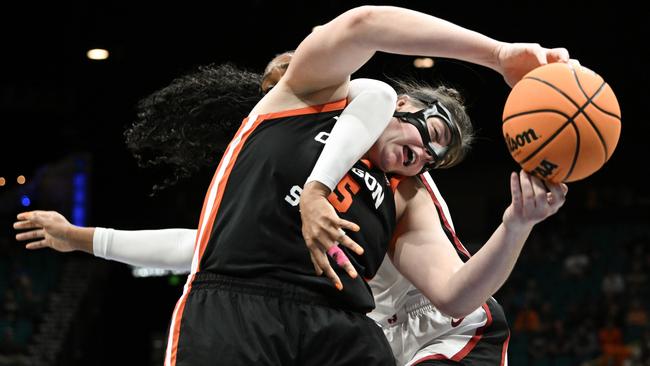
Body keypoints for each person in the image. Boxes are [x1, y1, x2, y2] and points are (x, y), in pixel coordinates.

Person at [15, 5, 570, 365]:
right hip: (242, 304)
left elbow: (453, 294)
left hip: (346, 325)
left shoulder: (405, 187)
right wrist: (83, 237)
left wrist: (517, 223)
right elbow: (202, 249)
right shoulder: (303, 107)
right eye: (431, 131)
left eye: (436, 156)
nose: (426, 152)